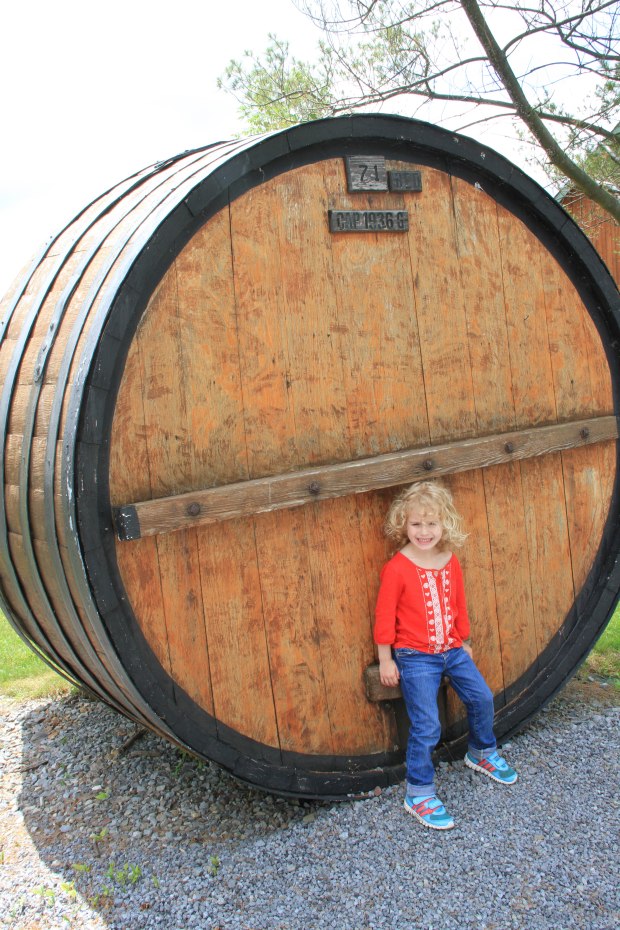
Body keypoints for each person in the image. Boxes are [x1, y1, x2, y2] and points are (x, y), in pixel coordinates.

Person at [374, 480, 517, 831]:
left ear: (445, 524)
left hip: (451, 649)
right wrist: (386, 658)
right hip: (414, 655)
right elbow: (383, 615)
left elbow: (458, 604)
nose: (424, 532)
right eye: (416, 524)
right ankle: (419, 792)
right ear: (403, 525)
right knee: (427, 725)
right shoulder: (397, 567)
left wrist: (463, 639)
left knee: (482, 698)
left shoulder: (449, 560)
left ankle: (481, 752)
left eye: (432, 523)